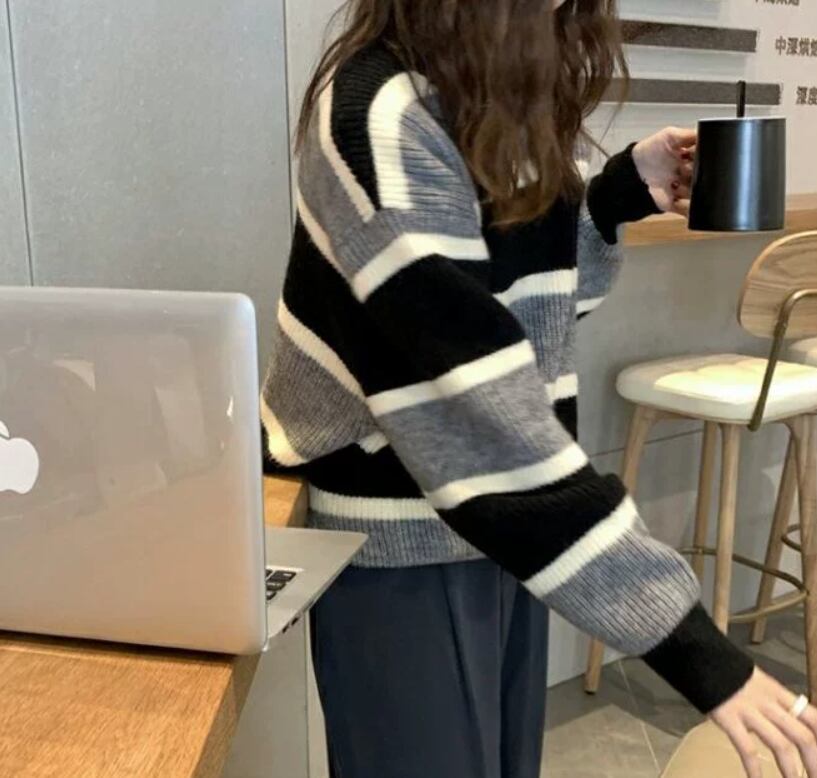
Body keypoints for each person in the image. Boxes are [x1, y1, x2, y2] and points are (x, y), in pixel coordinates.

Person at [261, 1, 817, 776]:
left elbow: (529, 313)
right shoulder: (380, 114)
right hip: (403, 536)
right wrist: (696, 652)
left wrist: (612, 196)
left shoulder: (489, 95)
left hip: (505, 526)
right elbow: (475, 412)